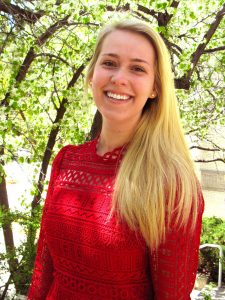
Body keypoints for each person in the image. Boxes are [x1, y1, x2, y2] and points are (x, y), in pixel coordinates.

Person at [27, 19, 204, 300]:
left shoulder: (172, 182)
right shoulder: (66, 162)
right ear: (92, 74)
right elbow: (43, 272)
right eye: (109, 63)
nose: (119, 78)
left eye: (137, 68)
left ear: (155, 87)